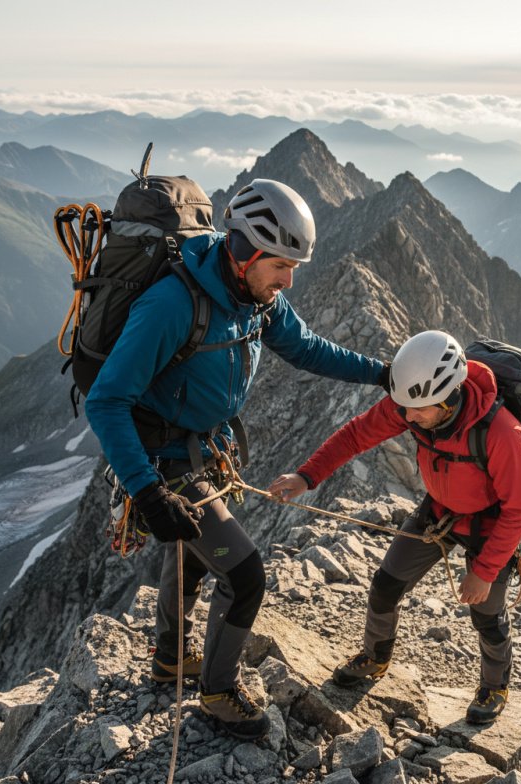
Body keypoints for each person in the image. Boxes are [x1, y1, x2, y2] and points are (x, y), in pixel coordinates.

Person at [85, 178, 389, 740]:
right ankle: (219, 693)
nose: (288, 280)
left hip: (205, 449)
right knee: (246, 575)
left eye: (293, 268)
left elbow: (307, 347)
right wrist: (148, 492)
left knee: (195, 555)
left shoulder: (256, 297)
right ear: (244, 252)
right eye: (281, 265)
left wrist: (382, 374)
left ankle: (171, 659)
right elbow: (106, 401)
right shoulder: (172, 304)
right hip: (164, 459)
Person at [268, 330, 521, 724]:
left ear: (448, 399)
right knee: (386, 584)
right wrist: (307, 477)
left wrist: (483, 571)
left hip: (491, 524)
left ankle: (494, 686)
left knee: (487, 613)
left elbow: (520, 510)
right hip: (440, 510)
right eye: (405, 408)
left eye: (418, 411)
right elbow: (356, 435)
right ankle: (375, 658)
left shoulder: (503, 433)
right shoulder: (414, 402)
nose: (408, 418)